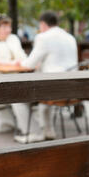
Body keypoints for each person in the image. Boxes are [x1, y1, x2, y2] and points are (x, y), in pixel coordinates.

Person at [12, 11, 78, 143]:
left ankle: (32, 132)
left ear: (43, 24)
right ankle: (48, 131)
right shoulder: (70, 37)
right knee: (43, 99)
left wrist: (19, 62)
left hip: (52, 89)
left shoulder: (43, 37)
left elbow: (29, 64)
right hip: (73, 89)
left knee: (15, 97)